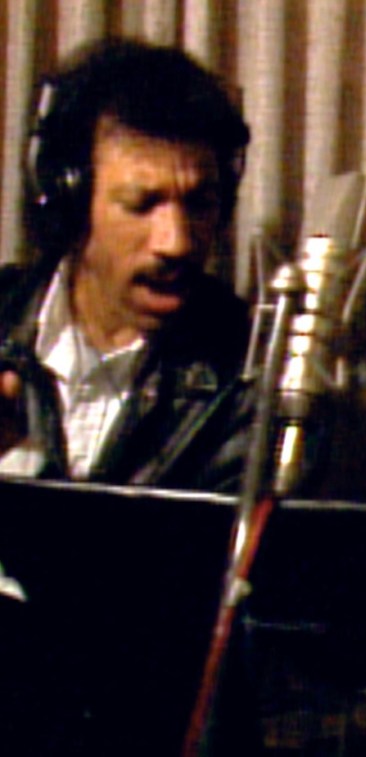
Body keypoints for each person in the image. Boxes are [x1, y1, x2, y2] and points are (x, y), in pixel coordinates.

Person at [0, 38, 252, 492]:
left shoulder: (249, 377)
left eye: (200, 204)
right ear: (69, 203)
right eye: (141, 203)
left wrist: (17, 462)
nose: (177, 243)